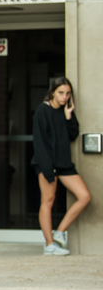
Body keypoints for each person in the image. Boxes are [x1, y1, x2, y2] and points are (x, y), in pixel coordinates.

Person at [33, 76, 90, 256]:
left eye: (67, 93)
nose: (64, 97)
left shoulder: (64, 111)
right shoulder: (43, 110)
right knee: (48, 201)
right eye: (61, 93)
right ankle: (49, 244)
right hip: (47, 164)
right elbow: (40, 142)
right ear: (52, 92)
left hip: (65, 165)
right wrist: (48, 169)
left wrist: (69, 115)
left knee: (85, 196)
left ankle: (59, 231)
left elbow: (73, 135)